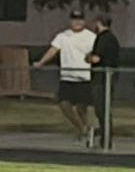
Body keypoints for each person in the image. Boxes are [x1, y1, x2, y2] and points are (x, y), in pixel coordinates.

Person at [31, 10, 96, 145]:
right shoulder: (63, 36)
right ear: (70, 21)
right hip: (67, 77)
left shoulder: (91, 37)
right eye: (74, 20)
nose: (77, 22)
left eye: (79, 20)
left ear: (84, 21)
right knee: (64, 104)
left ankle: (82, 135)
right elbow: (53, 50)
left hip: (84, 77)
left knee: (81, 107)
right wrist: (41, 62)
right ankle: (83, 129)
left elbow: (96, 54)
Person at [87, 15, 121, 150]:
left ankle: (105, 140)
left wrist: (87, 57)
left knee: (102, 110)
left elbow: (96, 58)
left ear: (98, 23)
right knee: (104, 110)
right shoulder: (113, 39)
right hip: (109, 78)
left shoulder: (103, 38)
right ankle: (105, 139)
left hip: (101, 79)